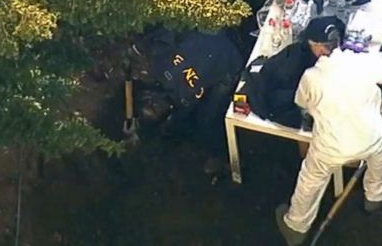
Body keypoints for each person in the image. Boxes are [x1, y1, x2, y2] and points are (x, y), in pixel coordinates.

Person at [275, 17, 382, 245]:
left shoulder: (312, 77)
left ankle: (296, 227)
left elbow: (301, 103)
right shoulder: (362, 63)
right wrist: (369, 56)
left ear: (318, 47)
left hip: (332, 148)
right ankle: (376, 198)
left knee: (311, 178)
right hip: (372, 138)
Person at [144, 28, 245, 173]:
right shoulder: (185, 107)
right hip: (231, 61)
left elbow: (170, 33)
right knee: (210, 116)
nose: (153, 104)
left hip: (215, 30)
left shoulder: (160, 66)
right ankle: (223, 156)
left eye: (149, 103)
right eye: (154, 110)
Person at [244, 16, 345, 129]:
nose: (329, 51)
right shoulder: (294, 68)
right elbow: (295, 105)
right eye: (326, 47)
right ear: (312, 43)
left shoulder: (320, 59)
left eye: (332, 46)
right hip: (288, 112)